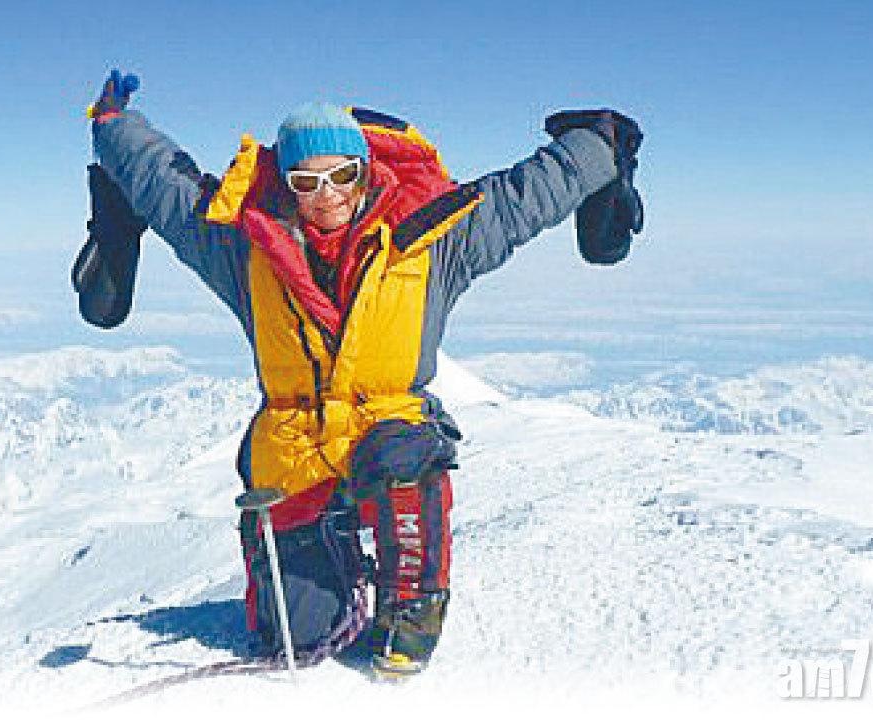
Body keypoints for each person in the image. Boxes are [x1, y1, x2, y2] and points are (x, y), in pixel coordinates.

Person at [79, 70, 643, 679]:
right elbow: (164, 186)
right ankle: (329, 571)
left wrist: (601, 143)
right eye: (306, 181)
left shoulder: (430, 239)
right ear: (287, 186)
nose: (327, 195)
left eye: (341, 175)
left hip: (390, 432)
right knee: (295, 636)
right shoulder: (246, 249)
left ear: (365, 170)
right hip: (295, 444)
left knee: (404, 457)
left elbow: (527, 195)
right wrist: (112, 124)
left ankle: (412, 607)